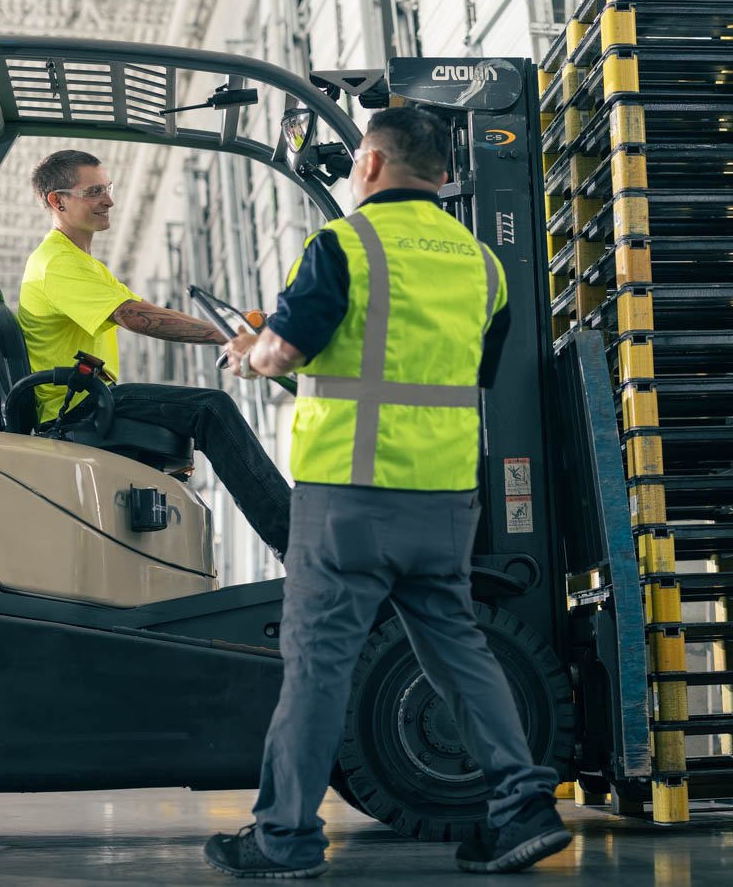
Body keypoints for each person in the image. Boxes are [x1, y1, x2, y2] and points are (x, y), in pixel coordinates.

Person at [203, 106, 566, 878]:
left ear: (369, 164)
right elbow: (444, 375)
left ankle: (285, 837)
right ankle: (524, 806)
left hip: (348, 501)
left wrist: (249, 352)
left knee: (318, 665)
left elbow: (287, 349)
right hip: (441, 500)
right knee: (461, 651)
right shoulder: (483, 266)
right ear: (442, 175)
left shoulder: (345, 244)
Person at [17, 149, 291, 553]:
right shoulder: (55, 264)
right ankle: (293, 541)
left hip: (90, 400)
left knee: (204, 408)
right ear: (58, 202)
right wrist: (228, 336)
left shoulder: (80, 262)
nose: (108, 200)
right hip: (79, 408)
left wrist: (237, 328)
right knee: (210, 409)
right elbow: (135, 318)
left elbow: (148, 311)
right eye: (94, 191)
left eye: (107, 188)